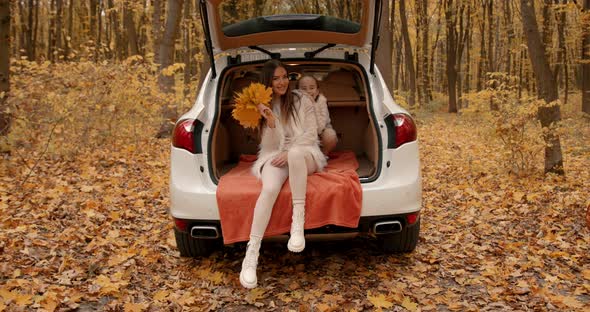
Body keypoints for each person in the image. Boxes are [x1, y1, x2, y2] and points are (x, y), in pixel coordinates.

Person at [240, 60, 327, 289]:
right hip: (274, 155)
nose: (282, 82)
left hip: (304, 153)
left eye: (285, 76)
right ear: (268, 82)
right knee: (268, 189)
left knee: (296, 153)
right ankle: (251, 255)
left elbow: (310, 133)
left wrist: (289, 151)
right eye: (276, 78)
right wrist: (269, 119)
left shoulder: (301, 99)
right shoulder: (262, 107)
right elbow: (269, 146)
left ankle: (297, 223)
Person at [296, 75, 338, 155]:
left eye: (312, 88)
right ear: (298, 91)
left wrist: (313, 105)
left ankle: (323, 154)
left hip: (320, 131)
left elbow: (319, 128)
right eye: (304, 89)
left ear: (317, 91)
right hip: (303, 132)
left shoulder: (321, 101)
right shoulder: (295, 103)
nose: (308, 91)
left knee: (330, 136)